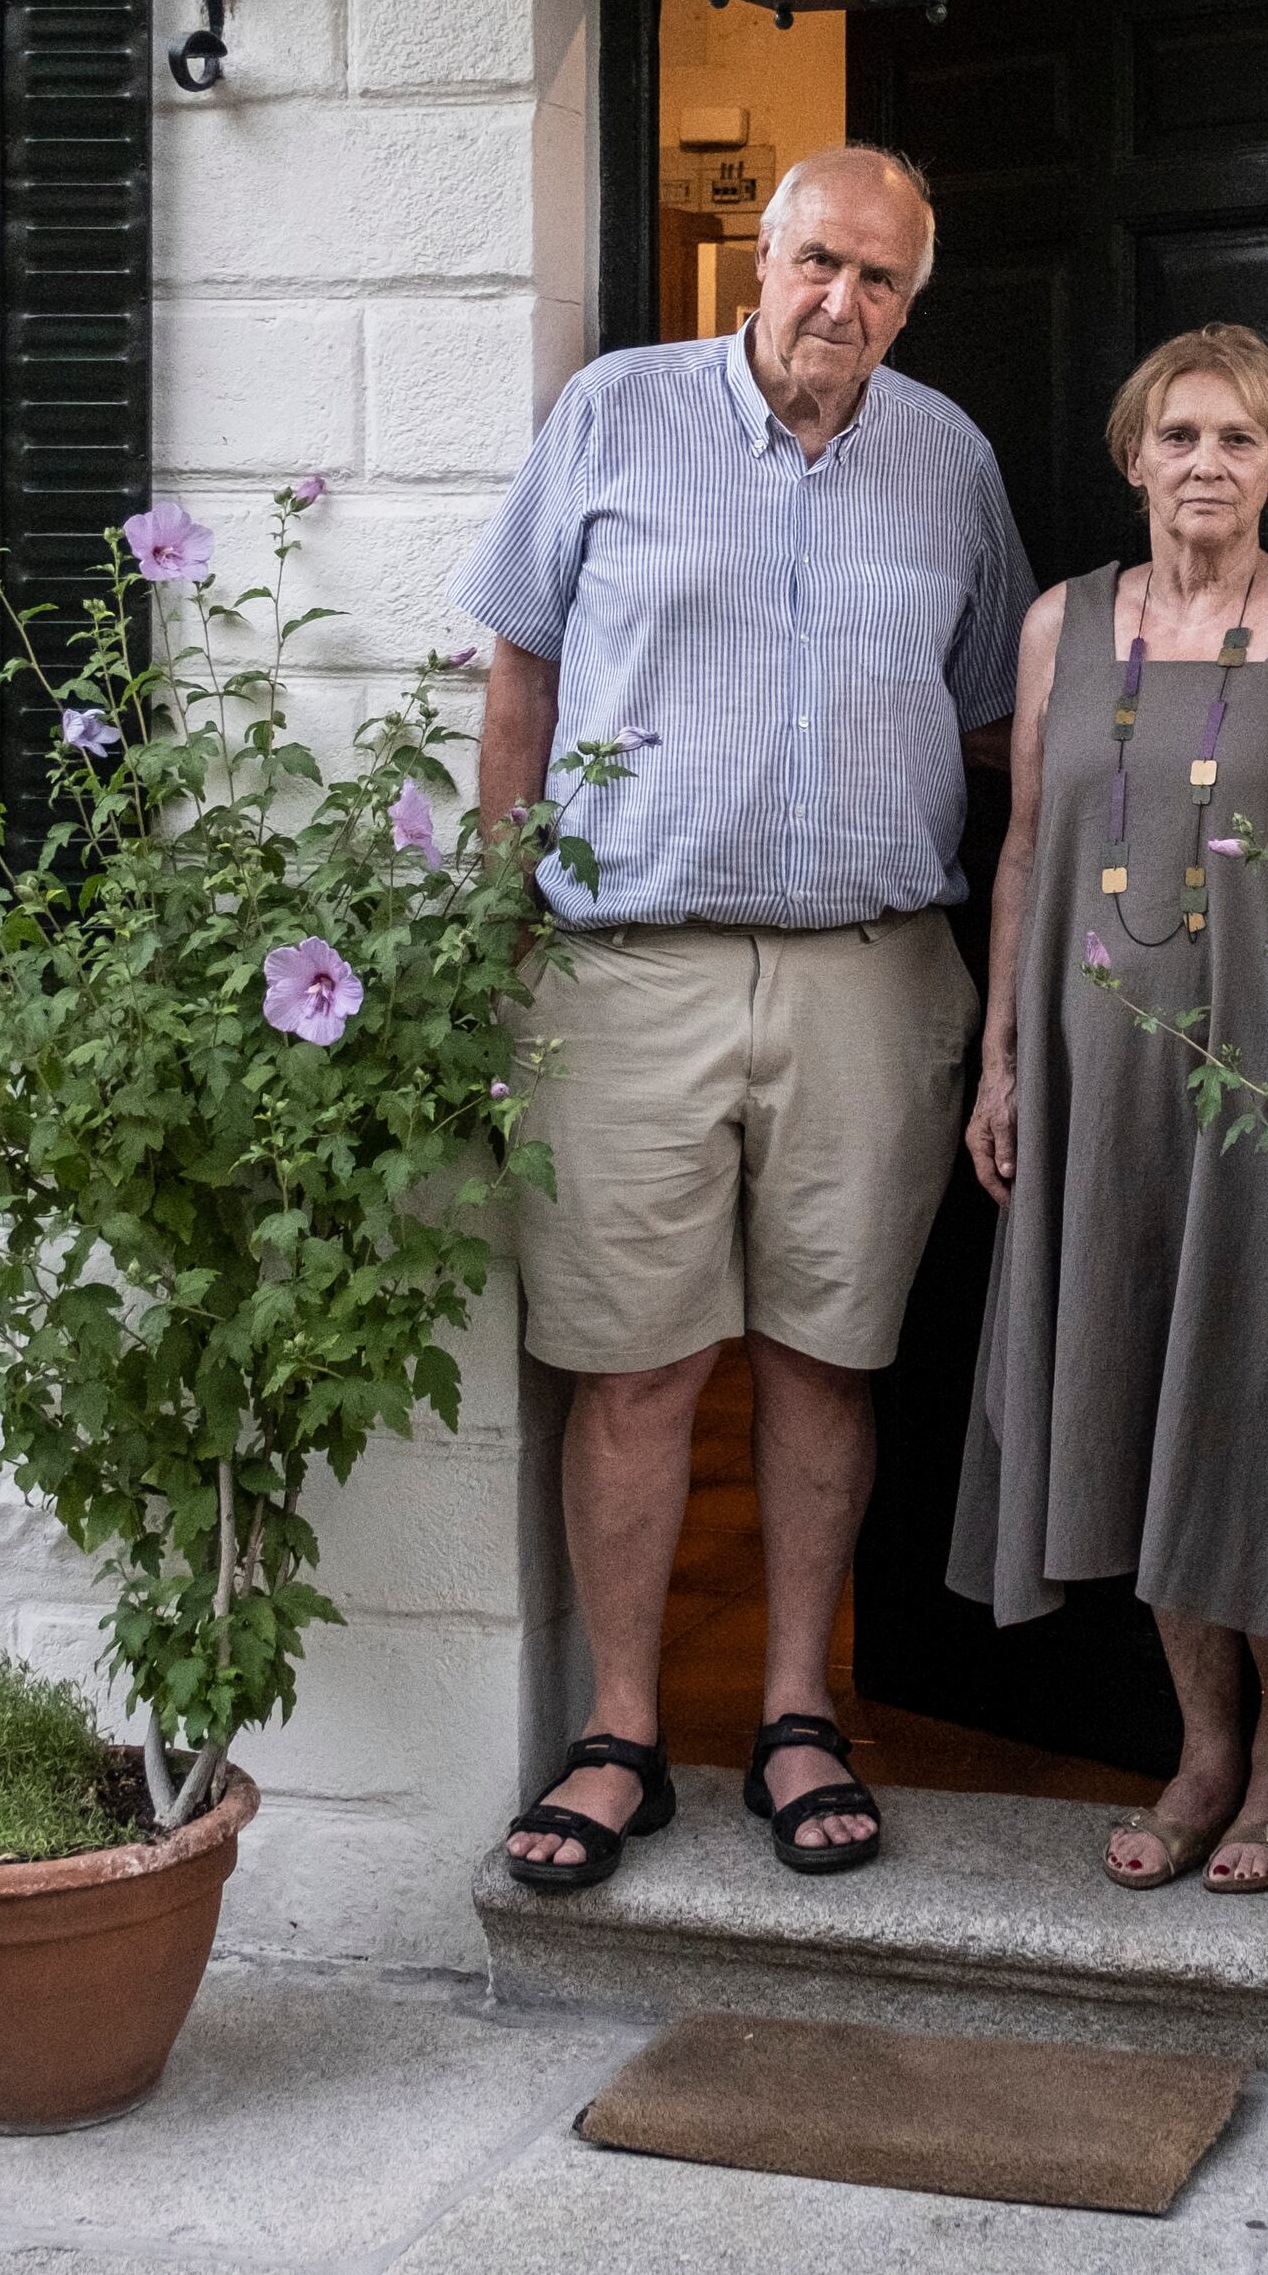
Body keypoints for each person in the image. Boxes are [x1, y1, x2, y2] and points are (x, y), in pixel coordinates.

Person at [461, 144, 1032, 1889]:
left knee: (826, 1355)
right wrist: (497, 939)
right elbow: (521, 678)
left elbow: (1005, 724)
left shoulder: (952, 461)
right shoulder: (615, 417)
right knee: (633, 1368)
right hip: (629, 968)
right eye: (817, 265)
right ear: (756, 265)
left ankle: (797, 1712)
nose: (840, 304)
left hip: (871, 971)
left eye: (879, 282)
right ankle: (622, 1727)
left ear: (910, 304)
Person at [950, 322, 1268, 1897]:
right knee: (1138, 1391)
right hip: (1102, 1077)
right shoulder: (1062, 625)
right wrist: (1006, 1053)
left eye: (1237, 438)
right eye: (1179, 436)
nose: (1206, 463)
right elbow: (1023, 845)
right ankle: (1203, 1745)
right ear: (1132, 456)